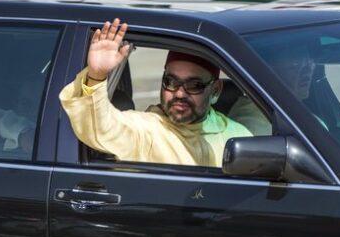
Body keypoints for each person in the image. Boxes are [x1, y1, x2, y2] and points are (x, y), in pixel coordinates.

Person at [59, 18, 252, 168]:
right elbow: (100, 127)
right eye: (171, 82)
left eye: (194, 85)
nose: (179, 93)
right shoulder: (147, 130)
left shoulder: (237, 136)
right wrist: (97, 76)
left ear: (216, 90)